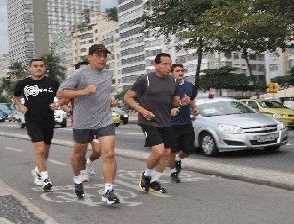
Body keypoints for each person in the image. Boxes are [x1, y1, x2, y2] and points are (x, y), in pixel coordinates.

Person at [57, 44, 120, 205]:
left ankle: (108, 190)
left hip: (104, 121)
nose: (102, 58)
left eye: (105, 56)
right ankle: (77, 179)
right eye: (98, 55)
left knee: (109, 154)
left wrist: (111, 100)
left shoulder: (109, 73)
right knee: (79, 155)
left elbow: (104, 93)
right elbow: (61, 93)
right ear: (89, 57)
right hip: (83, 121)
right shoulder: (79, 74)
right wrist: (82, 92)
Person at [123, 53, 190, 193]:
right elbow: (128, 97)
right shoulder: (145, 80)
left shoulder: (173, 81)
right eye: (164, 64)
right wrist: (142, 111)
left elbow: (174, 101)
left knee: (167, 154)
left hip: (165, 121)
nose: (167, 67)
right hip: (148, 121)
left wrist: (181, 103)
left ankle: (153, 181)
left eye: (169, 64)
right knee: (159, 151)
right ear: (156, 65)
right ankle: (146, 174)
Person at [13, 59, 60, 191]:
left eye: (41, 66)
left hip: (48, 119)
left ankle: (38, 170)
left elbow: (62, 96)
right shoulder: (23, 83)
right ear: (30, 68)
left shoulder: (52, 83)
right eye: (35, 66)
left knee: (45, 151)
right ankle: (45, 178)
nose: (38, 68)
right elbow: (15, 96)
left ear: (45, 68)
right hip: (32, 119)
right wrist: (20, 105)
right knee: (39, 150)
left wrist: (57, 104)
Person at [59, 61, 101, 182]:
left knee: (98, 151)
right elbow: (63, 104)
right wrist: (71, 112)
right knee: (81, 151)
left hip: (96, 123)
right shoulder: (72, 89)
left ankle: (90, 161)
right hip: (80, 123)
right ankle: (82, 172)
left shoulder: (96, 86)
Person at [168, 64, 199, 183]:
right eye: (177, 71)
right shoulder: (168, 87)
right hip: (172, 125)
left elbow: (191, 99)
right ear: (171, 73)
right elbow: (164, 103)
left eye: (182, 70)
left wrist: (195, 108)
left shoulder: (189, 85)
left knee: (189, 150)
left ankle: (178, 159)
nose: (180, 73)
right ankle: (173, 173)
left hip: (186, 123)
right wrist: (178, 104)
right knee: (172, 151)